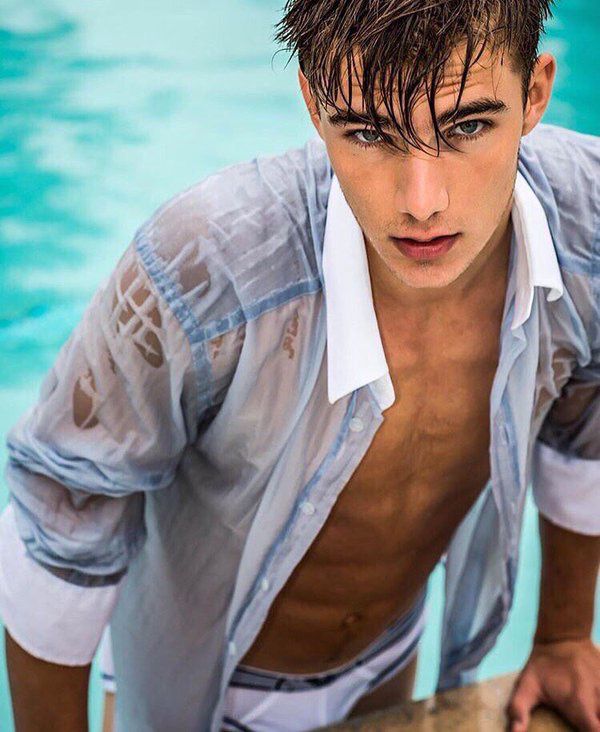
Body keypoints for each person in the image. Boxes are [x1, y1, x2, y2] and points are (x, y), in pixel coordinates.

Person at [1, 0, 599, 730]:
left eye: (467, 126)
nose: (422, 202)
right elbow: (58, 530)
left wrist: (563, 634)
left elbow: (585, 418)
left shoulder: (587, 223)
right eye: (368, 133)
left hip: (388, 662)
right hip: (192, 684)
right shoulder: (205, 269)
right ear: (314, 105)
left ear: (535, 94)